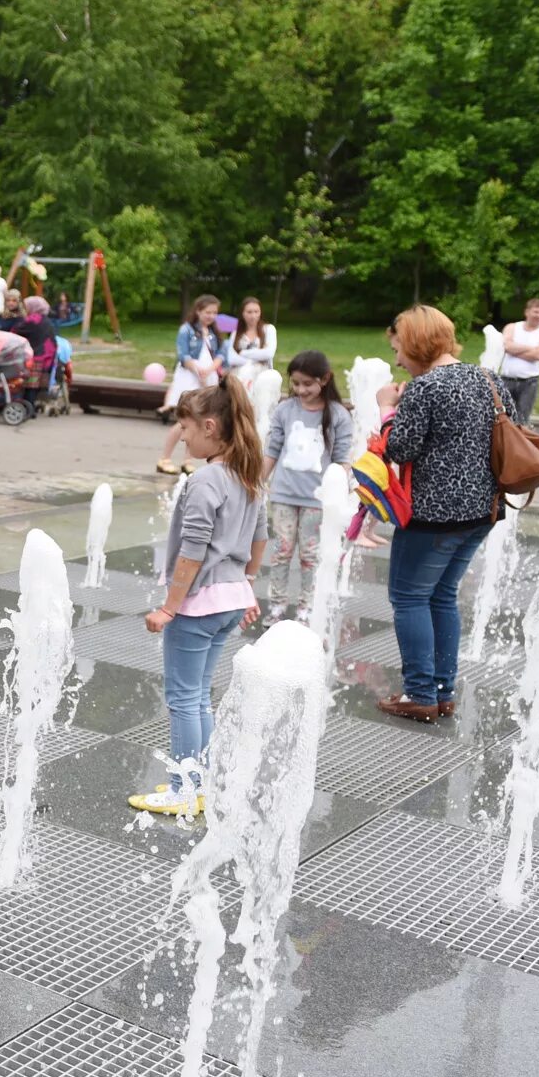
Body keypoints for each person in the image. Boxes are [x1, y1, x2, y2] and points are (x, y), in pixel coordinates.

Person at [132, 375, 267, 819]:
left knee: (183, 698)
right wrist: (245, 586)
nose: (182, 437)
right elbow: (260, 539)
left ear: (210, 426)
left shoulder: (207, 479)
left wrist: (169, 606)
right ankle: (201, 782)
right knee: (199, 696)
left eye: (186, 429)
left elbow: (193, 550)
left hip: (200, 604)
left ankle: (185, 788)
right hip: (229, 599)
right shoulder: (246, 476)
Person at [377, 304, 511, 723]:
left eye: (399, 349)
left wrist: (385, 408)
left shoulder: (425, 388)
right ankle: (442, 691)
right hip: (483, 512)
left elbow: (398, 449)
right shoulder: (489, 380)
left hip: (435, 517)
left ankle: (419, 693)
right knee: (441, 595)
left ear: (416, 343)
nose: (397, 359)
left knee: (410, 597)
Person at [262, 351, 353, 617]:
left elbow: (342, 460)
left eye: (307, 384)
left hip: (317, 499)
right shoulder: (285, 410)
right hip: (283, 495)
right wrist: (257, 483)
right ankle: (277, 604)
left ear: (324, 380)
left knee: (310, 556)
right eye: (296, 383)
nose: (300, 390)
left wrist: (344, 497)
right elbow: (272, 450)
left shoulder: (337, 415)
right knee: (281, 551)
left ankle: (306, 607)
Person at [158, 295, 227, 474]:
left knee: (198, 420)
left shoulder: (213, 334)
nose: (211, 316)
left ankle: (187, 459)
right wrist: (198, 370)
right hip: (190, 376)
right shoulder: (187, 330)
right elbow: (183, 355)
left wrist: (210, 369)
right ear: (198, 311)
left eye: (214, 313)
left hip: (207, 377)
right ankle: (165, 458)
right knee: (184, 420)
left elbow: (221, 354)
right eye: (207, 312)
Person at [500, 297, 539, 426]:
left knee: (522, 419)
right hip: (506, 380)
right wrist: (531, 349)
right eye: (536, 312)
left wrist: (516, 348)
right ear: (527, 312)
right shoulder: (512, 327)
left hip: (529, 383)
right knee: (503, 417)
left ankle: (520, 445)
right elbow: (506, 346)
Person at [227, 296, 277, 392]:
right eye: (249, 312)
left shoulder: (269, 329)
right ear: (242, 313)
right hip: (240, 377)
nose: (253, 316)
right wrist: (257, 356)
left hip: (262, 377)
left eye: (256, 311)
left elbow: (268, 354)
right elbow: (231, 358)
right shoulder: (236, 333)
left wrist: (242, 353)